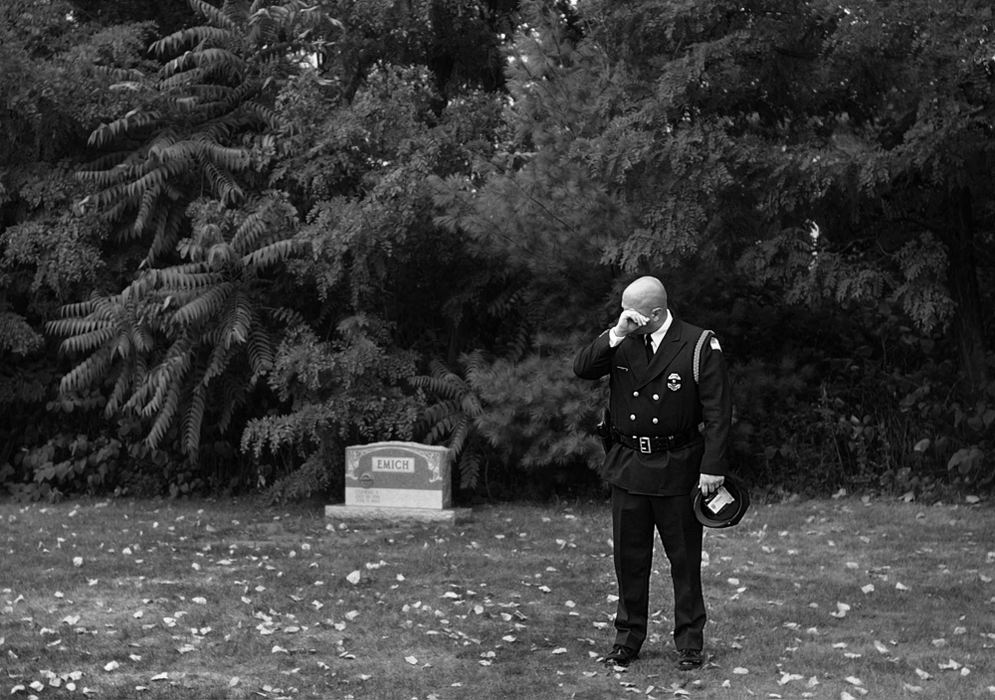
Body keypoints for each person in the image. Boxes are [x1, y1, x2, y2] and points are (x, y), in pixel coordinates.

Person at [573, 275, 731, 671]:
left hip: (677, 467)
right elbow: (582, 368)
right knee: (629, 559)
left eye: (634, 312)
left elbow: (717, 411)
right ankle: (627, 638)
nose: (626, 317)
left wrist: (712, 467)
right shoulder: (624, 337)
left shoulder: (697, 344)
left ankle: (690, 642)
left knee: (684, 560)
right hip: (629, 466)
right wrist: (615, 331)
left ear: (656, 312)